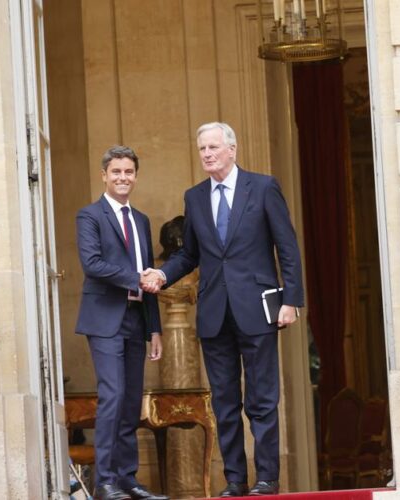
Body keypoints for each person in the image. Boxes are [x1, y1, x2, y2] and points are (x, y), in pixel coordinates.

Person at [142, 122, 304, 496]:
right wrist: (162, 275)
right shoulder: (195, 197)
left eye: (214, 146)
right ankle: (235, 481)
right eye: (202, 149)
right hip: (214, 314)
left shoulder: (262, 187)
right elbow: (190, 255)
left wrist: (292, 300)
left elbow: (288, 248)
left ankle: (266, 480)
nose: (208, 154)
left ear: (233, 149)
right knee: (226, 402)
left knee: (262, 401)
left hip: (258, 310)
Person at [75, 145, 167, 500]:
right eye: (116, 172)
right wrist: (136, 278)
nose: (123, 178)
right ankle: (106, 481)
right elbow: (92, 264)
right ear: (104, 175)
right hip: (104, 319)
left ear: (135, 176)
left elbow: (150, 279)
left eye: (129, 172)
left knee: (130, 401)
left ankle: (128, 478)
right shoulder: (90, 216)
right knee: (112, 396)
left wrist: (153, 328)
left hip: (135, 318)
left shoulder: (141, 220)